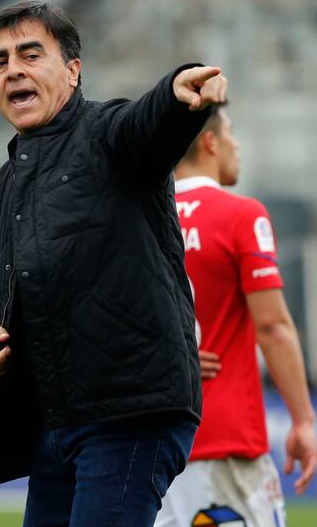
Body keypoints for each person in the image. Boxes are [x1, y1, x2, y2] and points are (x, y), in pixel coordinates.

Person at [0, 1, 228, 526]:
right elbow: (28, 283)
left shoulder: (108, 132)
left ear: (72, 69)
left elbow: (148, 126)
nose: (12, 69)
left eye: (29, 53)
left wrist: (178, 97)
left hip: (130, 410)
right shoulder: (12, 176)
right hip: (57, 421)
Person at [154, 106, 317, 526]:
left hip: (151, 447)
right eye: (230, 134)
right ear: (210, 142)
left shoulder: (142, 220)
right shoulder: (241, 214)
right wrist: (303, 420)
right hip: (225, 438)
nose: (236, 145)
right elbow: (273, 325)